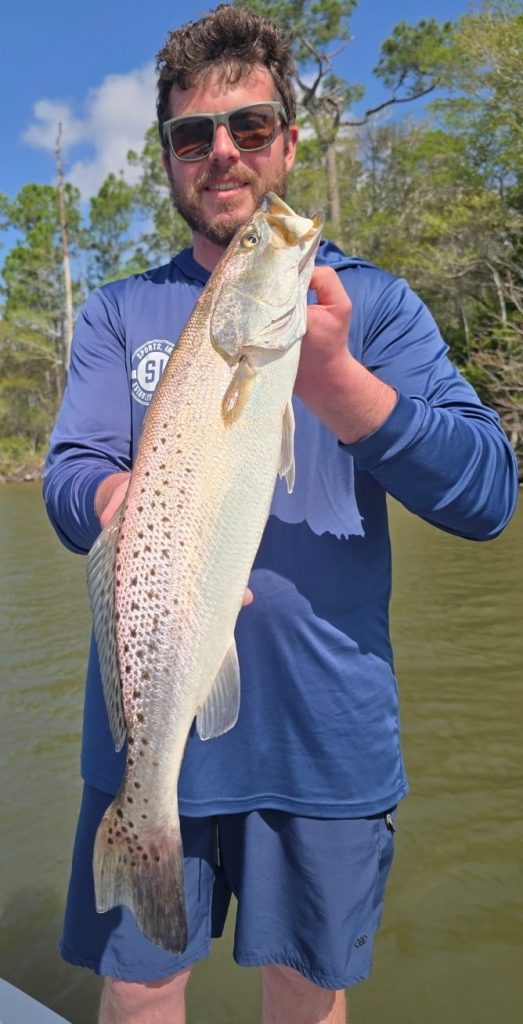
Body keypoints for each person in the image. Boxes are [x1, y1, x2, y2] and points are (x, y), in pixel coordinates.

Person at [43, 5, 519, 1023]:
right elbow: (69, 473)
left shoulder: (374, 307)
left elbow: (486, 495)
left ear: (289, 143)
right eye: (192, 135)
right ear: (168, 156)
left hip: (323, 738)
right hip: (150, 732)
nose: (223, 155)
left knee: (306, 998)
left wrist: (339, 379)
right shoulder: (118, 310)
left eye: (251, 128)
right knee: (136, 989)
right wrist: (115, 498)